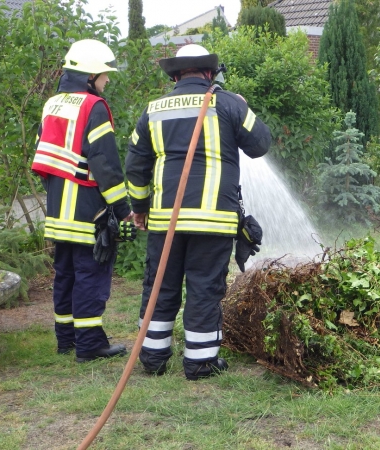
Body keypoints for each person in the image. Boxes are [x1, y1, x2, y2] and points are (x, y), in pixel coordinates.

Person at [125, 44, 271, 380]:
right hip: (213, 220)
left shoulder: (153, 110)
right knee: (205, 288)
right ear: (209, 73)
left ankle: (152, 358)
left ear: (175, 76)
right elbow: (261, 144)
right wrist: (244, 106)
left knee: (160, 286)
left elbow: (135, 165)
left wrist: (140, 208)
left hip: (165, 221)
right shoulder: (229, 103)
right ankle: (201, 362)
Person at [31, 39, 130, 363]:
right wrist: (123, 210)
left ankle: (66, 340)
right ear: (90, 75)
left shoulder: (53, 104)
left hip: (58, 211)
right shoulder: (93, 106)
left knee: (65, 274)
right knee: (90, 275)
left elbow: (44, 158)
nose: (107, 80)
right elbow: (105, 164)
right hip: (88, 210)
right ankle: (89, 345)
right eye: (104, 74)